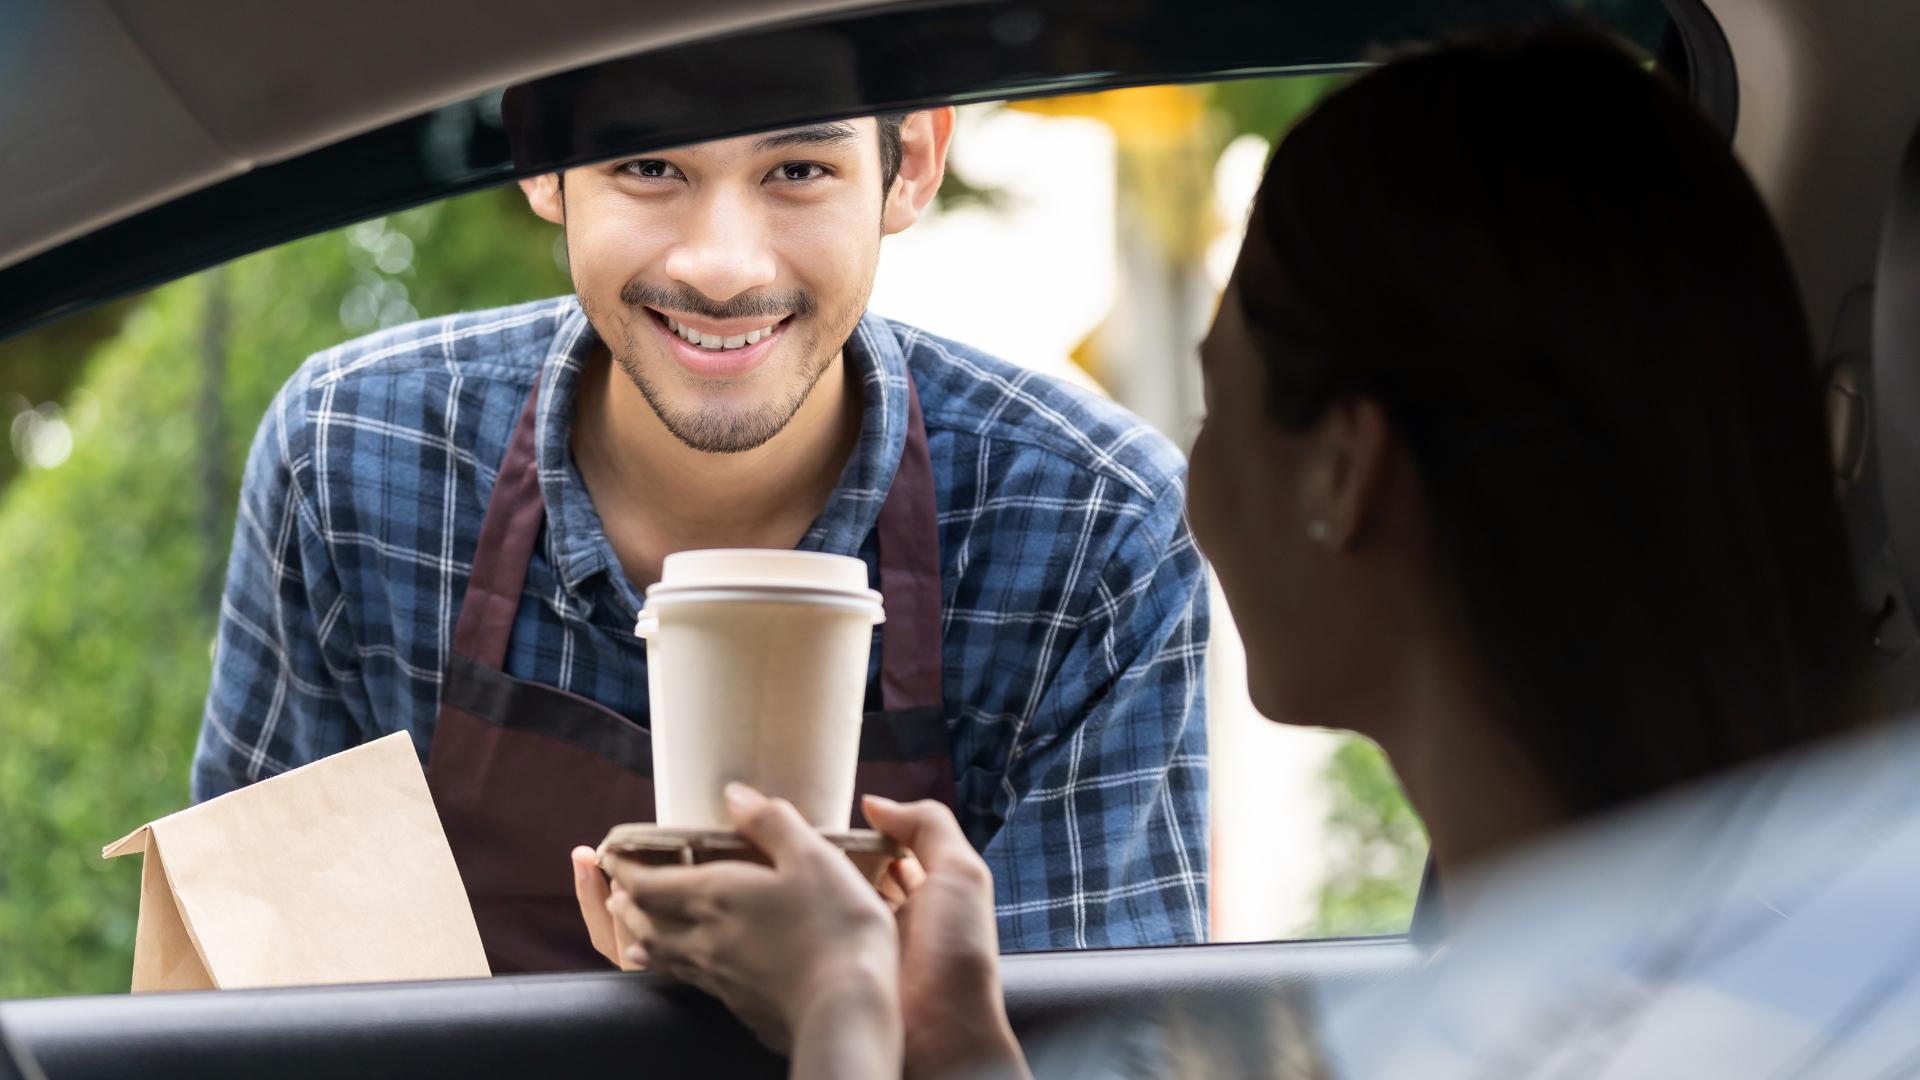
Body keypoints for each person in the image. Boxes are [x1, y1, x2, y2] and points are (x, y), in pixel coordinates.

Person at [600, 25, 1872, 1079]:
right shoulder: (1762, 974)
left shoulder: (1535, 1039)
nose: (1181, 483)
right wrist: (951, 1042)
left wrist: (838, 1009)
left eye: (1217, 409)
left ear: (1342, 469)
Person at [191, 94, 1213, 972]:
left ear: (910, 165)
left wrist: (826, 1000)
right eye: (649, 166)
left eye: (799, 168)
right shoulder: (355, 458)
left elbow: (1096, 1052)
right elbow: (272, 1002)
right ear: (544, 160)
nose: (722, 267)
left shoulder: (1091, 532)